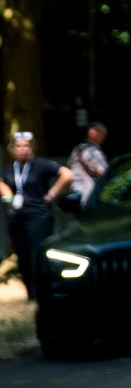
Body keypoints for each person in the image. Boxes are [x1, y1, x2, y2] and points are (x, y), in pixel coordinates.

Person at [0, 131, 74, 299]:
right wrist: (8, 197)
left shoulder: (40, 164)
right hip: (17, 217)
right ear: (13, 149)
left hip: (38, 216)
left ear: (31, 148)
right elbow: (2, 182)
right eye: (18, 146)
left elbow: (67, 174)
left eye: (26, 146)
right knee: (22, 256)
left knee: (37, 255)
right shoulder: (11, 168)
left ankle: (42, 293)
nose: (22, 149)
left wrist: (51, 195)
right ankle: (31, 294)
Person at [67, 120, 109, 203]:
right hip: (89, 192)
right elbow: (103, 174)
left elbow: (69, 167)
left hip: (75, 191)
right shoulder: (95, 152)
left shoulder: (76, 150)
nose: (104, 138)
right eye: (103, 134)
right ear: (96, 134)